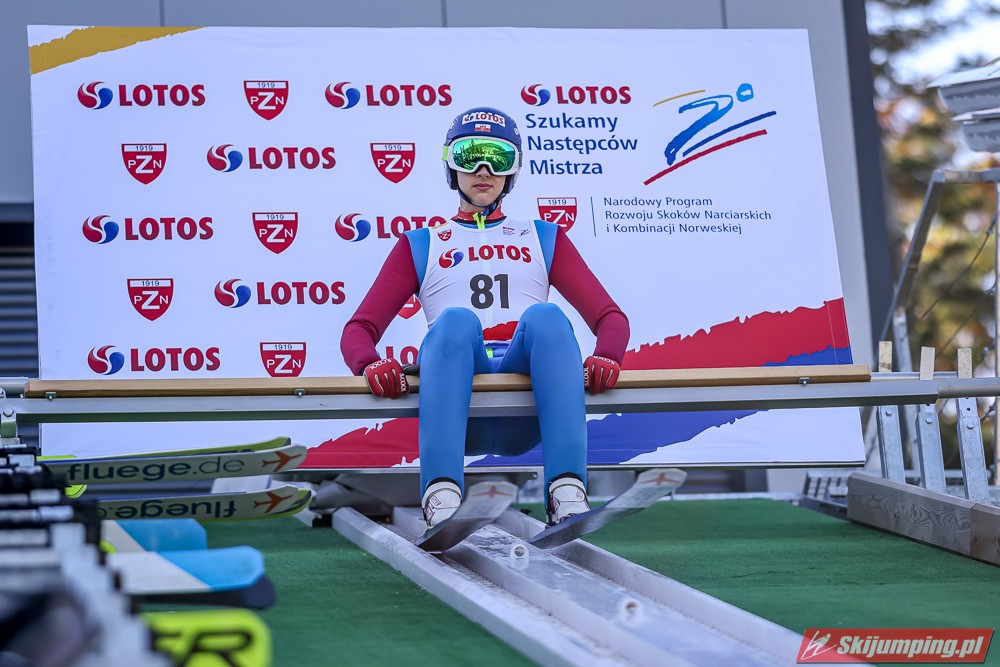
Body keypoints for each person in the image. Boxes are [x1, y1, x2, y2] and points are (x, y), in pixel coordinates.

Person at [341, 106, 629, 529]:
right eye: (469, 155)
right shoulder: (421, 243)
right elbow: (358, 329)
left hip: (526, 411)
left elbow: (610, 318)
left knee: (547, 317)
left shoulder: (543, 236)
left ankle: (567, 492)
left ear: (512, 170)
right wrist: (369, 363)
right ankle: (441, 495)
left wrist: (608, 356)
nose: (483, 170)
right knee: (456, 321)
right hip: (460, 413)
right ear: (450, 165)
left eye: (498, 158)